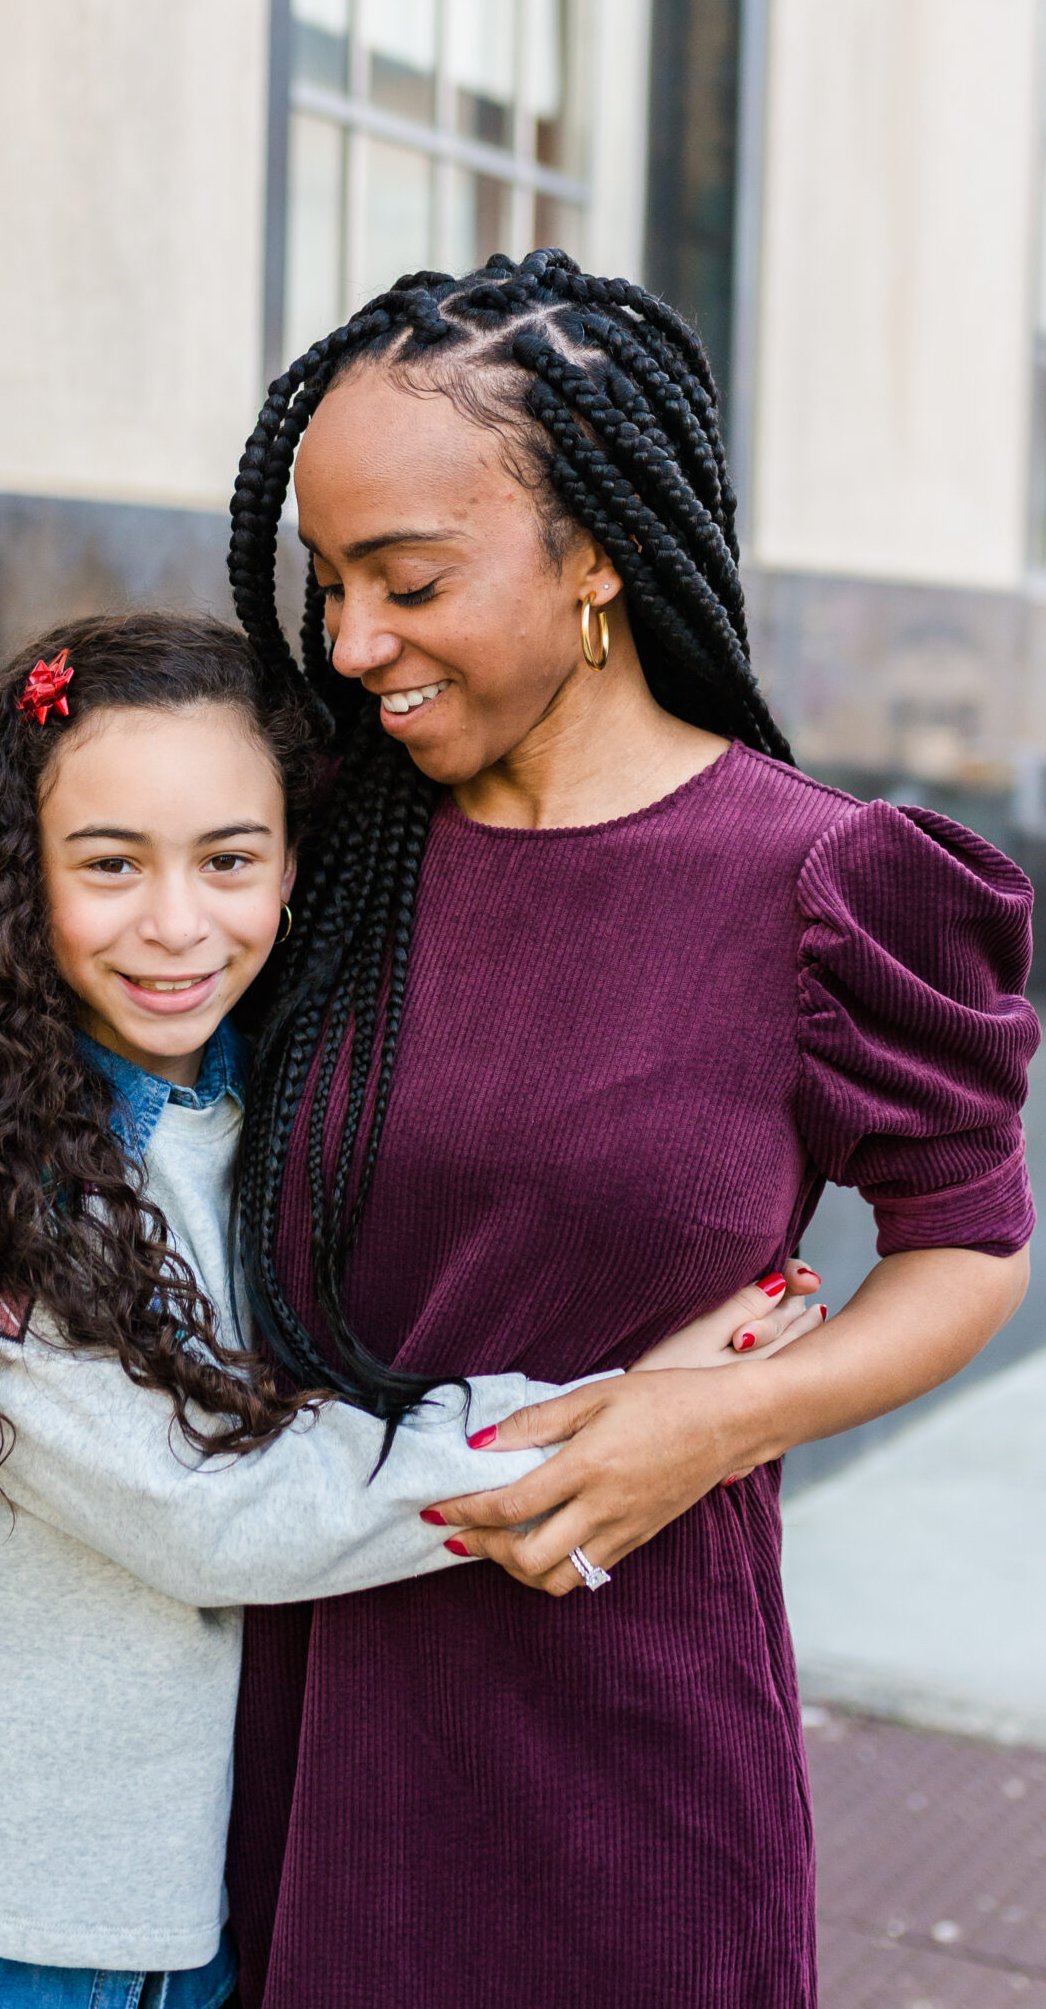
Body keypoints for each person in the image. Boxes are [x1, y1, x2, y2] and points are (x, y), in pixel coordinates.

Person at [0, 612, 821, 2009]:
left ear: (296, 867)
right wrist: (624, 1418)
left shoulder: (241, 1089)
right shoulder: (3, 1179)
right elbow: (218, 1511)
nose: (178, 923)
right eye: (110, 864)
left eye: (229, 860)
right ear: (15, 884)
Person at [215, 251, 1038, 2008]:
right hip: (286, 1706)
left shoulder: (820, 882)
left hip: (624, 1735)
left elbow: (968, 1249)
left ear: (596, 552)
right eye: (332, 580)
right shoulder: (305, 842)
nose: (351, 643)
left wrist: (717, 1417)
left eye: (410, 579)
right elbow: (32, 1123)